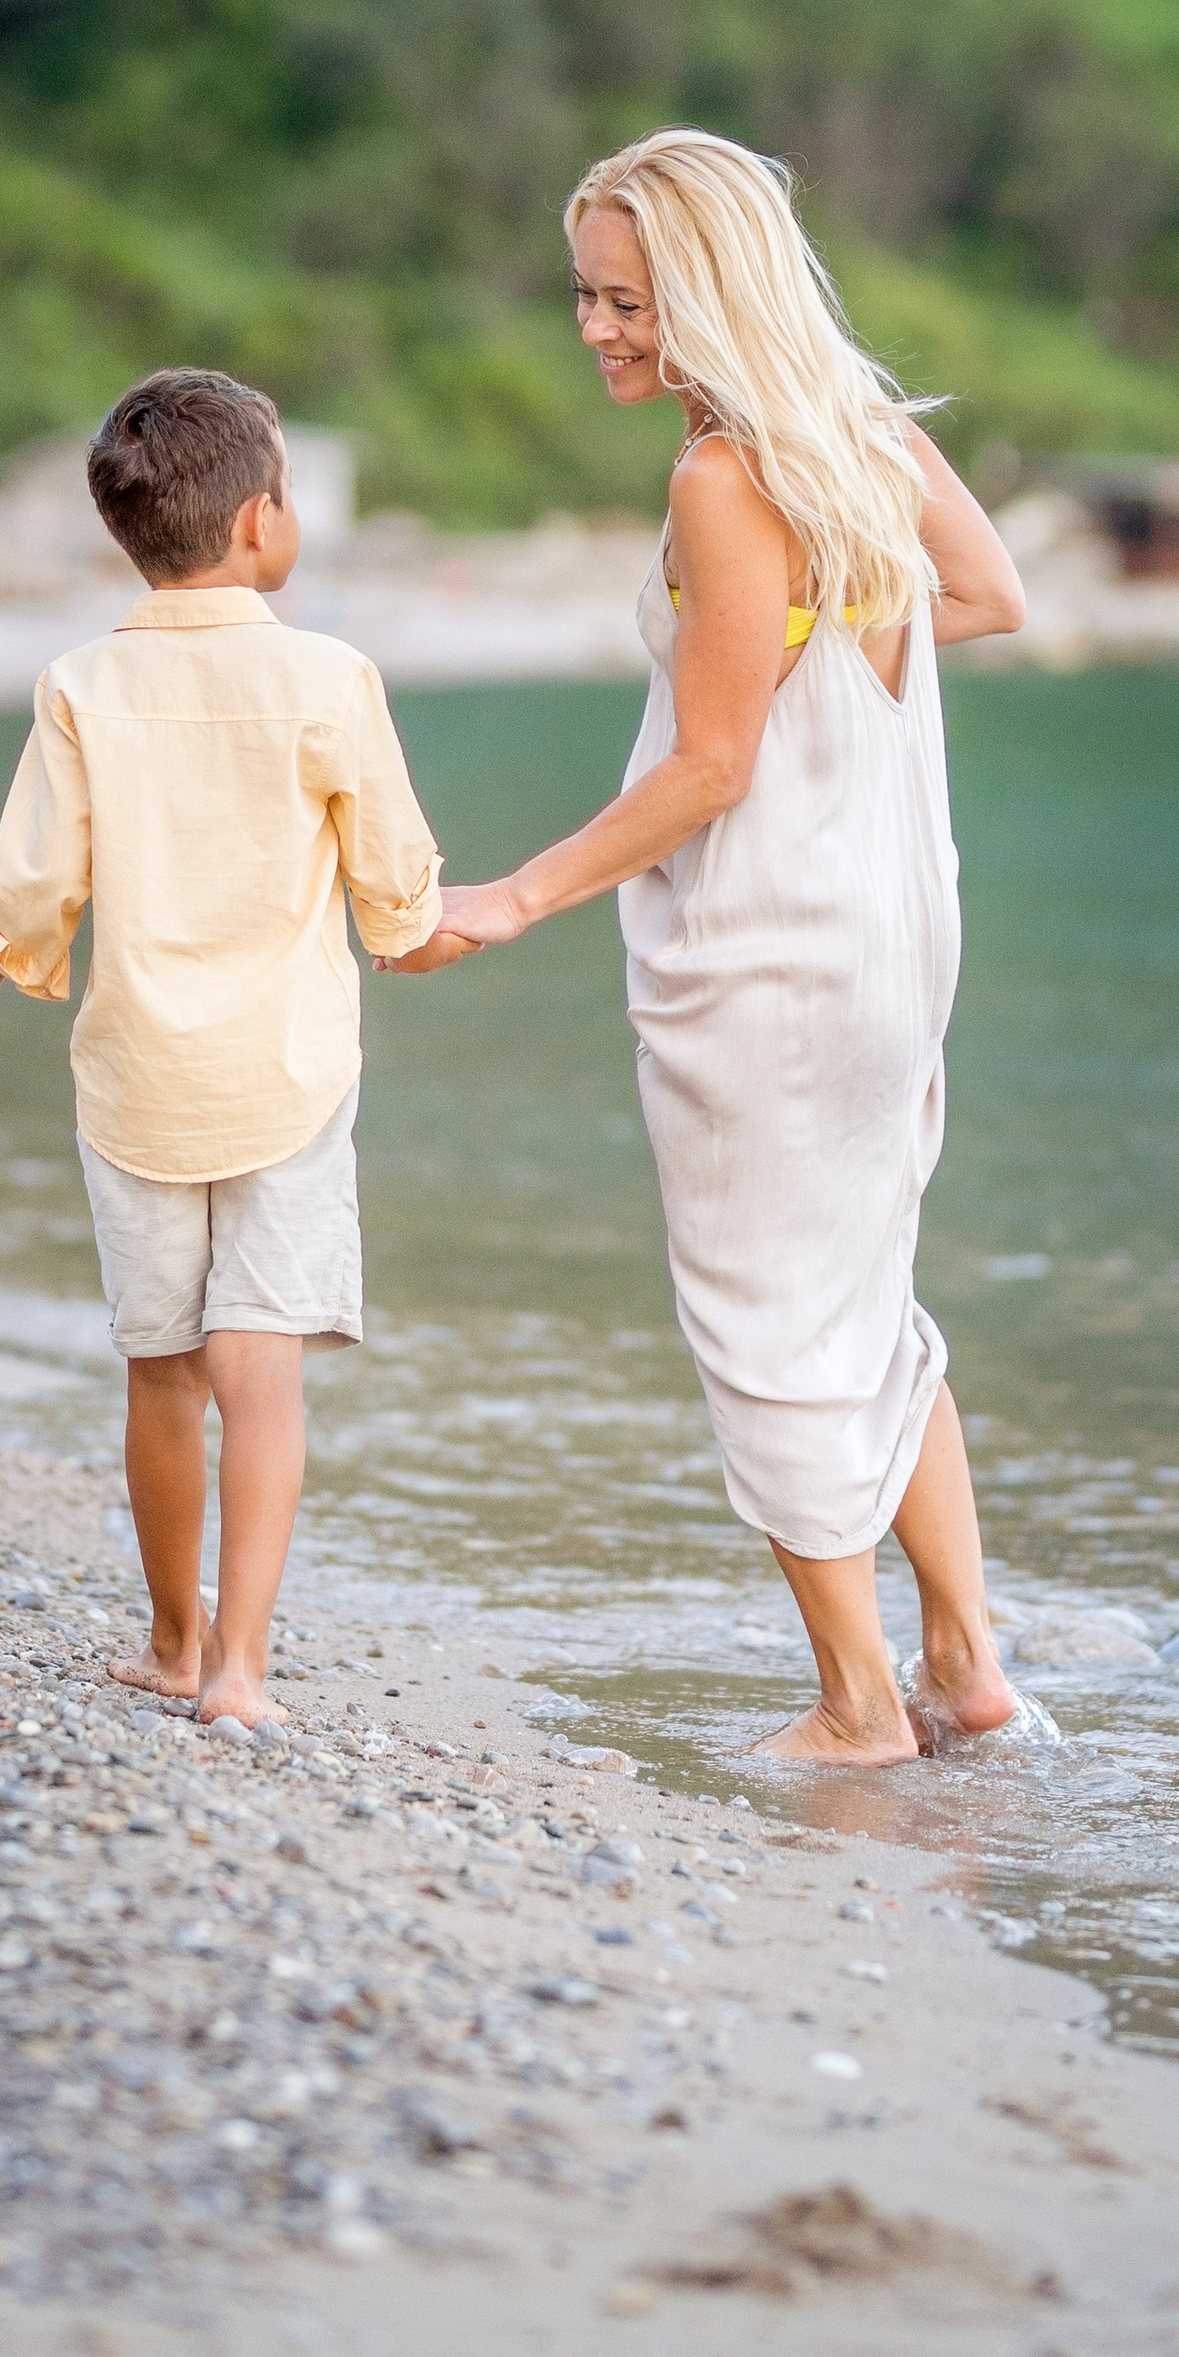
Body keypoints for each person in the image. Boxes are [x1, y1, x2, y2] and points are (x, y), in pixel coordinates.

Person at [426, 132, 1028, 1765]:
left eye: (630, 299)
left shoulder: (721, 475)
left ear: (711, 289)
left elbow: (710, 769)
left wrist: (513, 897)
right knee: (867, 1301)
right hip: (893, 940)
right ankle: (964, 1667)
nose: (599, 329)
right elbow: (986, 595)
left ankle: (856, 1709)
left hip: (773, 955)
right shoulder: (861, 437)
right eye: (587, 296)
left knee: (767, 1320)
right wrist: (816, 635)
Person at [0, 368, 467, 1729]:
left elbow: (41, 881)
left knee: (161, 1370)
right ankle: (243, 1673)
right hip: (283, 1073)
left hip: (136, 1078)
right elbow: (393, 875)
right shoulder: (330, 677)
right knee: (258, 1373)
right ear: (266, 520)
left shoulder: (83, 683)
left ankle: (170, 1639)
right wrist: (417, 928)